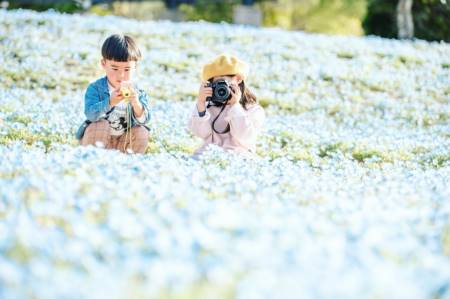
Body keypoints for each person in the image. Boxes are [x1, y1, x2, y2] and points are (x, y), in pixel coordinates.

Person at [76, 34, 150, 154]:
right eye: (115, 69)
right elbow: (90, 115)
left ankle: (128, 165)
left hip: (124, 141)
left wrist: (136, 103)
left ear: (135, 66)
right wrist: (110, 102)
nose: (121, 75)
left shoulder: (138, 92)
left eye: (127, 69)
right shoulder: (96, 88)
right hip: (97, 138)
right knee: (100, 125)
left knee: (142, 131)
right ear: (104, 64)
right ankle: (92, 159)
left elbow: (144, 119)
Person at [188, 54, 265, 156]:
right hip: (208, 155)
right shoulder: (209, 106)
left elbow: (243, 136)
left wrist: (235, 106)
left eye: (225, 83)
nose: (221, 89)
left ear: (238, 80)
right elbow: (201, 134)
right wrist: (201, 104)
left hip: (239, 158)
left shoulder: (253, 109)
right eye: (217, 84)